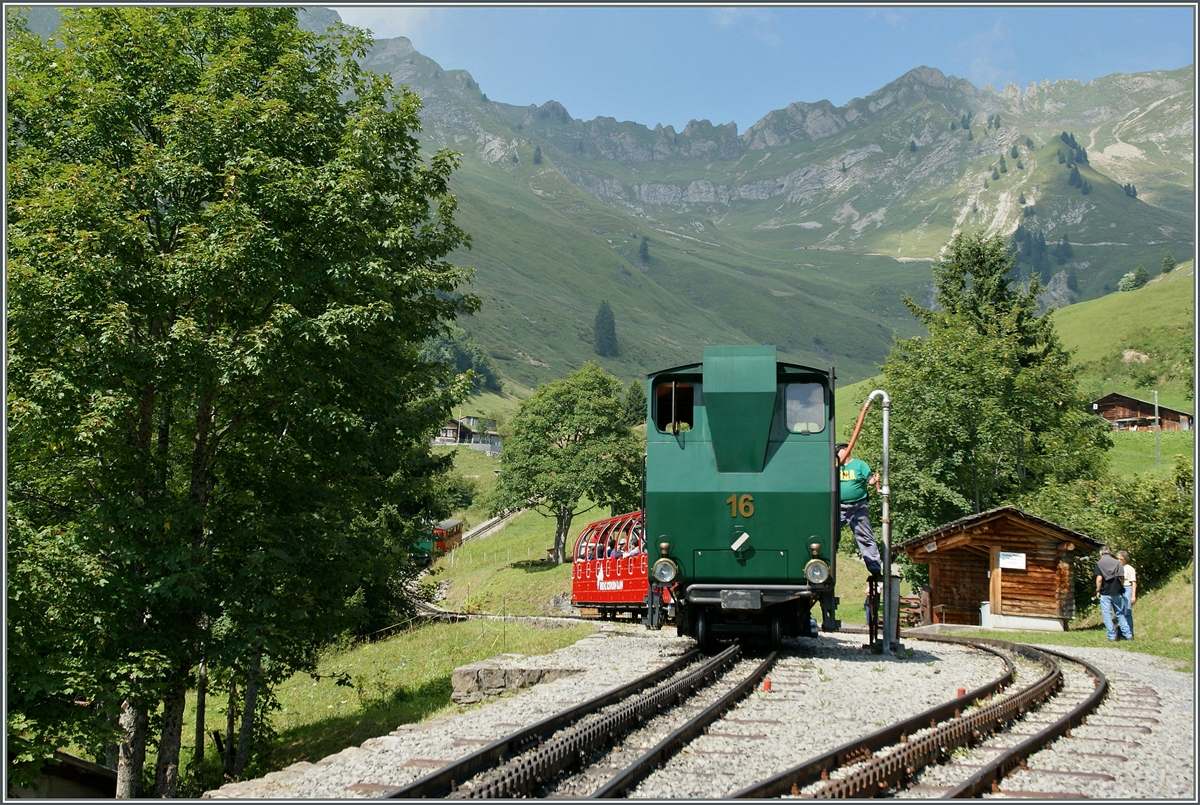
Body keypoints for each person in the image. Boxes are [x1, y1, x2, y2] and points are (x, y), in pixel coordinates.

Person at [837, 442, 883, 577]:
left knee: (865, 537)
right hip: (839, 507)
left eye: (838, 452)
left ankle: (875, 569)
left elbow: (869, 480)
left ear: (846, 450)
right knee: (829, 533)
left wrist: (874, 480)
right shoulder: (835, 467)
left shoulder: (860, 465)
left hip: (858, 507)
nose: (836, 455)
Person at [1095, 545, 1132, 641]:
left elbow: (1099, 579)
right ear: (1110, 553)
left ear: (1101, 553)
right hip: (1117, 591)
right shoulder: (1117, 563)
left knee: (1107, 614)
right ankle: (1128, 635)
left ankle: (1111, 636)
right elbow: (1122, 578)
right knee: (1120, 614)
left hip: (1105, 592)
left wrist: (1098, 590)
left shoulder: (1099, 563)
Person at [1118, 550, 1137, 638]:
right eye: (1118, 559)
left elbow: (1134, 582)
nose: (1119, 561)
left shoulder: (1130, 569)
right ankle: (1123, 633)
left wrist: (1133, 595)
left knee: (1127, 612)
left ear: (1125, 559)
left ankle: (1130, 633)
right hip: (1120, 589)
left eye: (1121, 559)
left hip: (1127, 588)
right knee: (1121, 611)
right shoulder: (1118, 568)